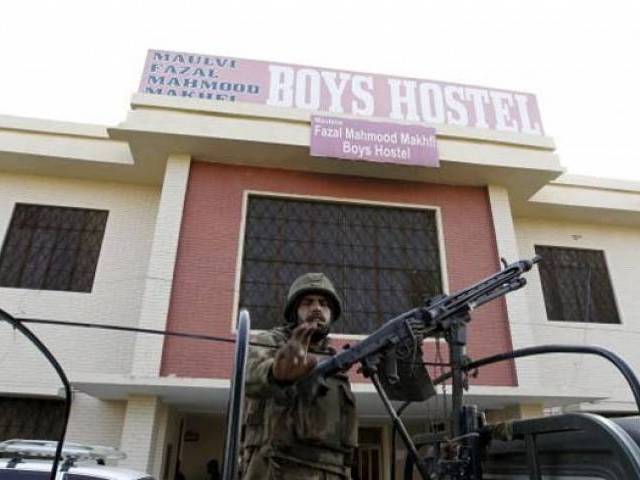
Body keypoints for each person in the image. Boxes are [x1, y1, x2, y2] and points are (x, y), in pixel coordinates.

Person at [241, 273, 358, 480]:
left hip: (333, 471)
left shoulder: (334, 360)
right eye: (307, 302)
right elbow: (247, 375)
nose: (317, 308)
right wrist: (276, 374)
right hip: (278, 467)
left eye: (324, 303)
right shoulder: (272, 341)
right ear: (294, 311)